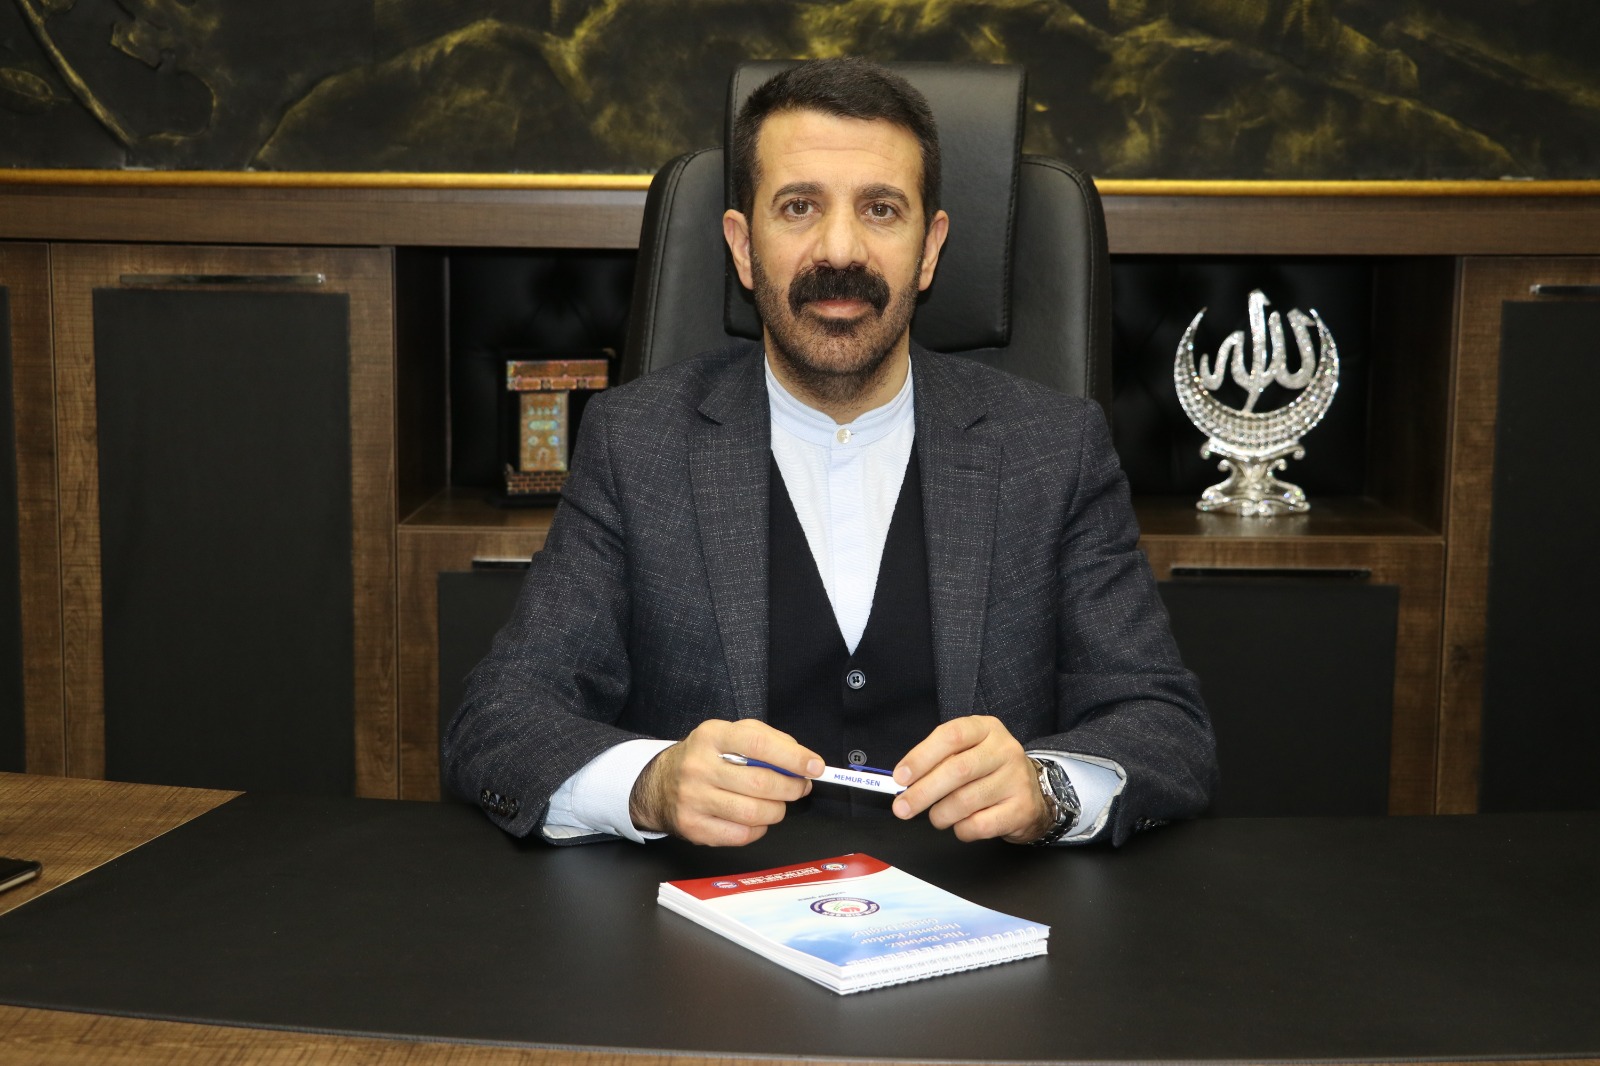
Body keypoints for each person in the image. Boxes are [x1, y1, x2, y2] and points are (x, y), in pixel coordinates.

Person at [444, 57, 1216, 849]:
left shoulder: (1054, 448)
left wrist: (1046, 789)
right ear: (743, 247)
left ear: (929, 248)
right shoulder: (635, 443)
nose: (839, 249)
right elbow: (499, 719)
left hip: (984, 905)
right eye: (799, 207)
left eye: (881, 209)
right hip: (711, 916)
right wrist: (651, 785)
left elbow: (1164, 727)